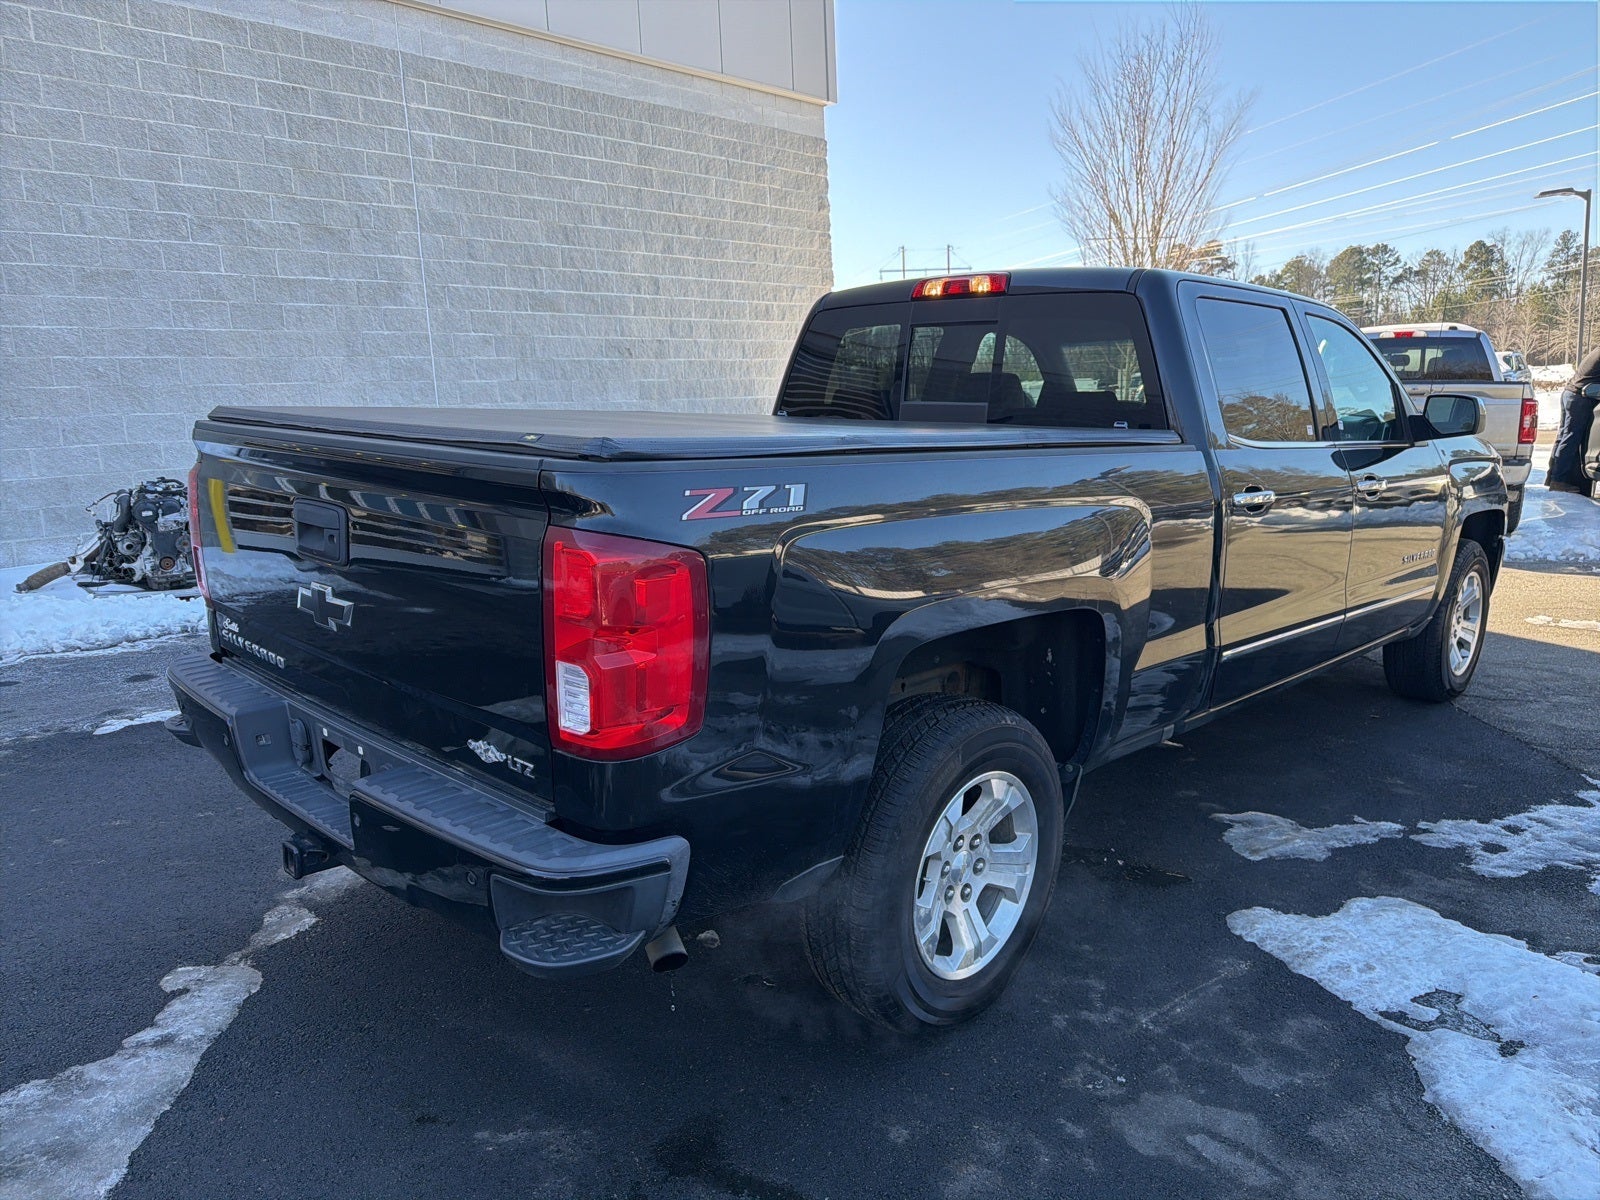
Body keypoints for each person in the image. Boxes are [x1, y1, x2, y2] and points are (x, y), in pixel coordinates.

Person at [1548, 346, 1600, 495]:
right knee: (1571, 438)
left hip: (1570, 393)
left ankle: (1552, 477)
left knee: (1563, 437)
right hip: (1580, 396)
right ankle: (1558, 480)